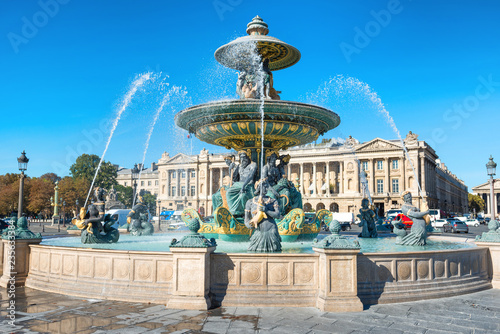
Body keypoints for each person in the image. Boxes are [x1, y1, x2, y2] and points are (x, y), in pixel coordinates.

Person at [245, 180, 282, 252]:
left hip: (271, 230)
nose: (266, 189)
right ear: (258, 188)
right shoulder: (250, 202)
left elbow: (277, 215)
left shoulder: (273, 201)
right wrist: (249, 225)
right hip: (259, 231)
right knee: (253, 251)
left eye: (266, 187)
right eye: (263, 187)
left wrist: (267, 210)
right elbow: (246, 220)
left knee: (274, 252)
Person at [226, 150, 257, 217]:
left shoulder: (253, 165)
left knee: (242, 196)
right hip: (238, 184)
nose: (243, 159)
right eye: (241, 158)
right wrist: (230, 169)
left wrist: (243, 185)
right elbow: (233, 178)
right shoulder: (239, 166)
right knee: (228, 193)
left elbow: (250, 176)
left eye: (244, 157)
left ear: (248, 157)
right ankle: (233, 211)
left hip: (248, 184)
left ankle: (240, 212)